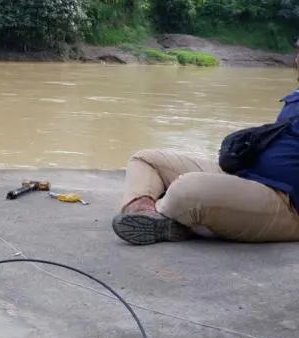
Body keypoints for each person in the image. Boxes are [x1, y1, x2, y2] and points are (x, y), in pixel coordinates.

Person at [113, 43, 299, 245]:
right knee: (146, 159)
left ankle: (169, 215)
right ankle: (147, 213)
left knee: (186, 190)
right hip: (248, 176)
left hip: (287, 204)